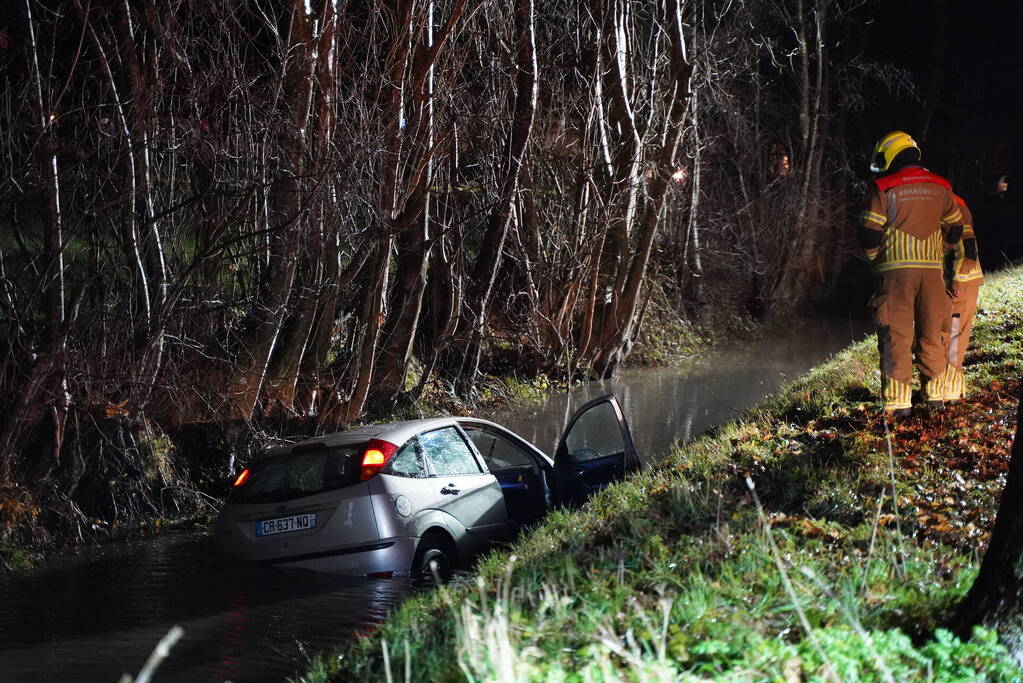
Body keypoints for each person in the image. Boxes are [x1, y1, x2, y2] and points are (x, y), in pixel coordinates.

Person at [857, 131, 963, 416]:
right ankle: (935, 398)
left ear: (890, 154)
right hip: (932, 275)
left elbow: (868, 234)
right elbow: (955, 228)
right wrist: (936, 252)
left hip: (895, 277)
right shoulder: (941, 186)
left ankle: (898, 404)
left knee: (896, 338)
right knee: (932, 334)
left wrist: (875, 263)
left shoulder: (884, 186)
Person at [941, 194, 984, 401]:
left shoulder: (953, 206)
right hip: (951, 279)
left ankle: (951, 389)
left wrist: (958, 280)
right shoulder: (947, 203)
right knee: (949, 333)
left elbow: (969, 247)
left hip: (960, 282)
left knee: (955, 334)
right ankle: (948, 387)